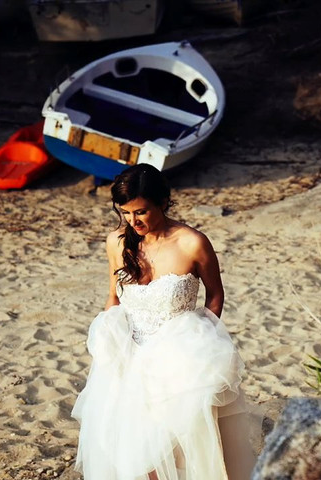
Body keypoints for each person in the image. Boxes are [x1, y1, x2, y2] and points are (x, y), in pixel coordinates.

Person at [71, 164, 256, 480]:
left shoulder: (192, 243)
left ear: (163, 202)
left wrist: (206, 343)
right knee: (132, 447)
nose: (134, 221)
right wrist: (106, 345)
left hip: (180, 359)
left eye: (141, 211)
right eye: (126, 213)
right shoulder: (117, 241)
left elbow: (215, 294)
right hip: (128, 354)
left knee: (177, 444)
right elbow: (114, 296)